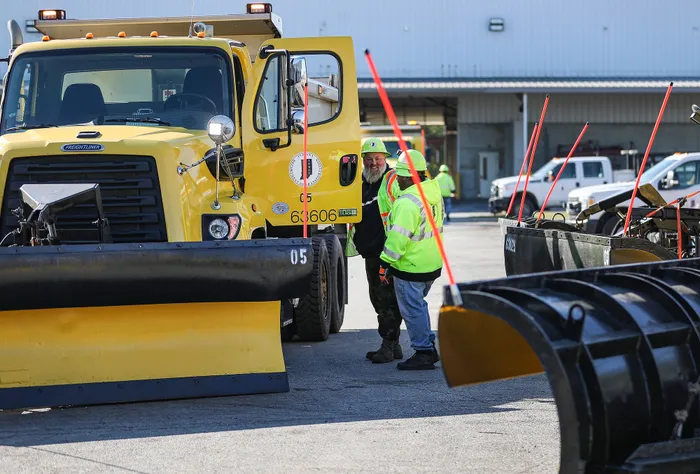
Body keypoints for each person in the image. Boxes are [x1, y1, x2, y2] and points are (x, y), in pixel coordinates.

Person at [379, 149, 444, 370]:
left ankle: (424, 353)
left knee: (412, 309)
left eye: (399, 175)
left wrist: (384, 263)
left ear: (408, 176)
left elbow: (398, 239)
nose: (397, 179)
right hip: (430, 264)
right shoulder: (432, 192)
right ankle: (428, 347)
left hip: (410, 266)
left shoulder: (406, 202)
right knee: (419, 306)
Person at [346, 137, 404, 364]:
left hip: (387, 252)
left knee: (386, 299)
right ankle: (394, 345)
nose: (373, 163)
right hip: (370, 251)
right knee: (378, 299)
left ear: (385, 159)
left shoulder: (392, 181)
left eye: (378, 159)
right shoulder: (358, 183)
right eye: (368, 159)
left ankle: (388, 345)